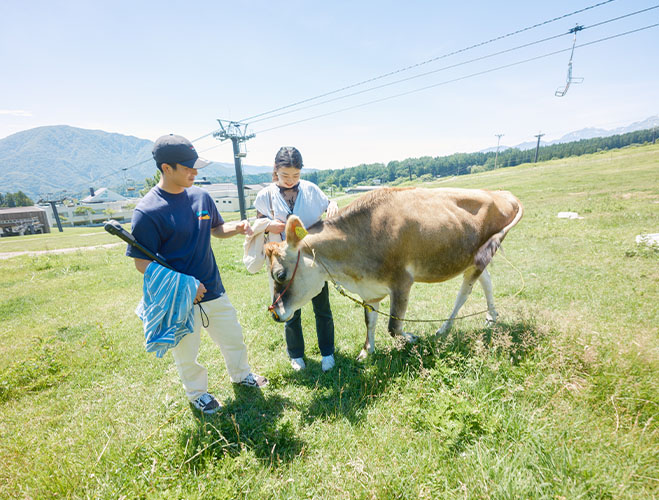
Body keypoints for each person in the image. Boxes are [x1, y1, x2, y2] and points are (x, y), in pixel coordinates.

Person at [126, 134, 267, 415]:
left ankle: (241, 375)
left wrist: (236, 228)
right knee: (186, 352)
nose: (195, 172)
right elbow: (141, 263)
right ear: (167, 168)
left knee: (233, 338)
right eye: (188, 167)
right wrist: (185, 285)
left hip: (213, 287)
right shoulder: (147, 211)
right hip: (179, 298)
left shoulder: (201, 196)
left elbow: (216, 229)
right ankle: (197, 393)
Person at [254, 146, 339, 372]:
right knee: (289, 308)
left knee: (322, 308)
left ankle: (328, 352)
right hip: (283, 262)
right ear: (275, 170)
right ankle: (296, 354)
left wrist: (332, 204)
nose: (290, 180)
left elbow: (328, 204)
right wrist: (267, 224)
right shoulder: (265, 195)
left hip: (311, 261)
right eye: (285, 175)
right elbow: (257, 225)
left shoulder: (311, 189)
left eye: (295, 175)